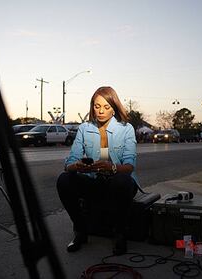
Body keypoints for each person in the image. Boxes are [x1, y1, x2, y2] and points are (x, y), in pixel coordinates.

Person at [56, 86, 139, 255]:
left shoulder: (126, 129)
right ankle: (80, 231)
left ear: (114, 108)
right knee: (64, 179)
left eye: (106, 107)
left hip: (119, 183)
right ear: (92, 106)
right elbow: (69, 162)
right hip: (94, 182)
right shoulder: (84, 128)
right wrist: (77, 166)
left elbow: (130, 166)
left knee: (121, 180)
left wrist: (112, 167)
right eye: (97, 106)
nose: (101, 111)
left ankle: (119, 234)